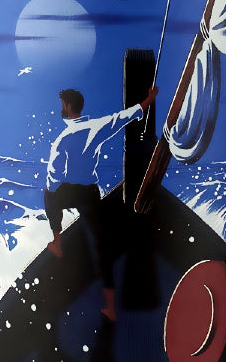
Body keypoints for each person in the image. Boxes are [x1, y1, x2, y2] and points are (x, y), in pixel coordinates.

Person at [44, 85, 156, 319]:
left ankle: (57, 242)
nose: (61, 109)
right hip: (90, 193)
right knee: (101, 247)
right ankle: (111, 307)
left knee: (49, 194)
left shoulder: (63, 138)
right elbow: (122, 118)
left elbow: (53, 176)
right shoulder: (97, 126)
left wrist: (55, 194)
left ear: (68, 107)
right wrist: (148, 100)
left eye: (62, 105)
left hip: (70, 192)